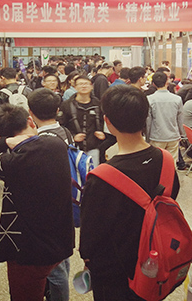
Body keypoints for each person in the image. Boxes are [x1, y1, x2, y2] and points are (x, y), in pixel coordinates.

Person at [80, 85, 180, 300]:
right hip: (155, 264)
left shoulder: (100, 178)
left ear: (107, 121)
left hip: (115, 275)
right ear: (145, 117)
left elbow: (90, 239)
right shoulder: (166, 161)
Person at [0, 104, 74, 301]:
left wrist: (2, 143)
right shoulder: (56, 144)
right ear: (30, 121)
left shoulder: (11, 163)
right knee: (56, 280)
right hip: (59, 240)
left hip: (27, 249)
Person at [27, 88, 74, 301]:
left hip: (48, 208)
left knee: (55, 270)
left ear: (30, 112)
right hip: (65, 202)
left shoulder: (40, 141)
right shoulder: (65, 132)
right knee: (61, 259)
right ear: (57, 110)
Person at [58, 75, 105, 164]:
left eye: (86, 84)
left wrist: (103, 134)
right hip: (73, 148)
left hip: (94, 148)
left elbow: (105, 122)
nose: (84, 86)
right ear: (75, 87)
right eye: (80, 84)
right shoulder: (67, 105)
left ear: (91, 86)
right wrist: (72, 137)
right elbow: (61, 125)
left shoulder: (98, 105)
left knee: (93, 171)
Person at [145, 71, 185, 162]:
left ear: (153, 84)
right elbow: (180, 119)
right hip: (173, 136)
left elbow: (148, 120)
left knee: (157, 162)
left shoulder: (150, 99)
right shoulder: (177, 99)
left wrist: (148, 137)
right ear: (167, 82)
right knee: (172, 162)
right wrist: (181, 133)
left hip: (156, 136)